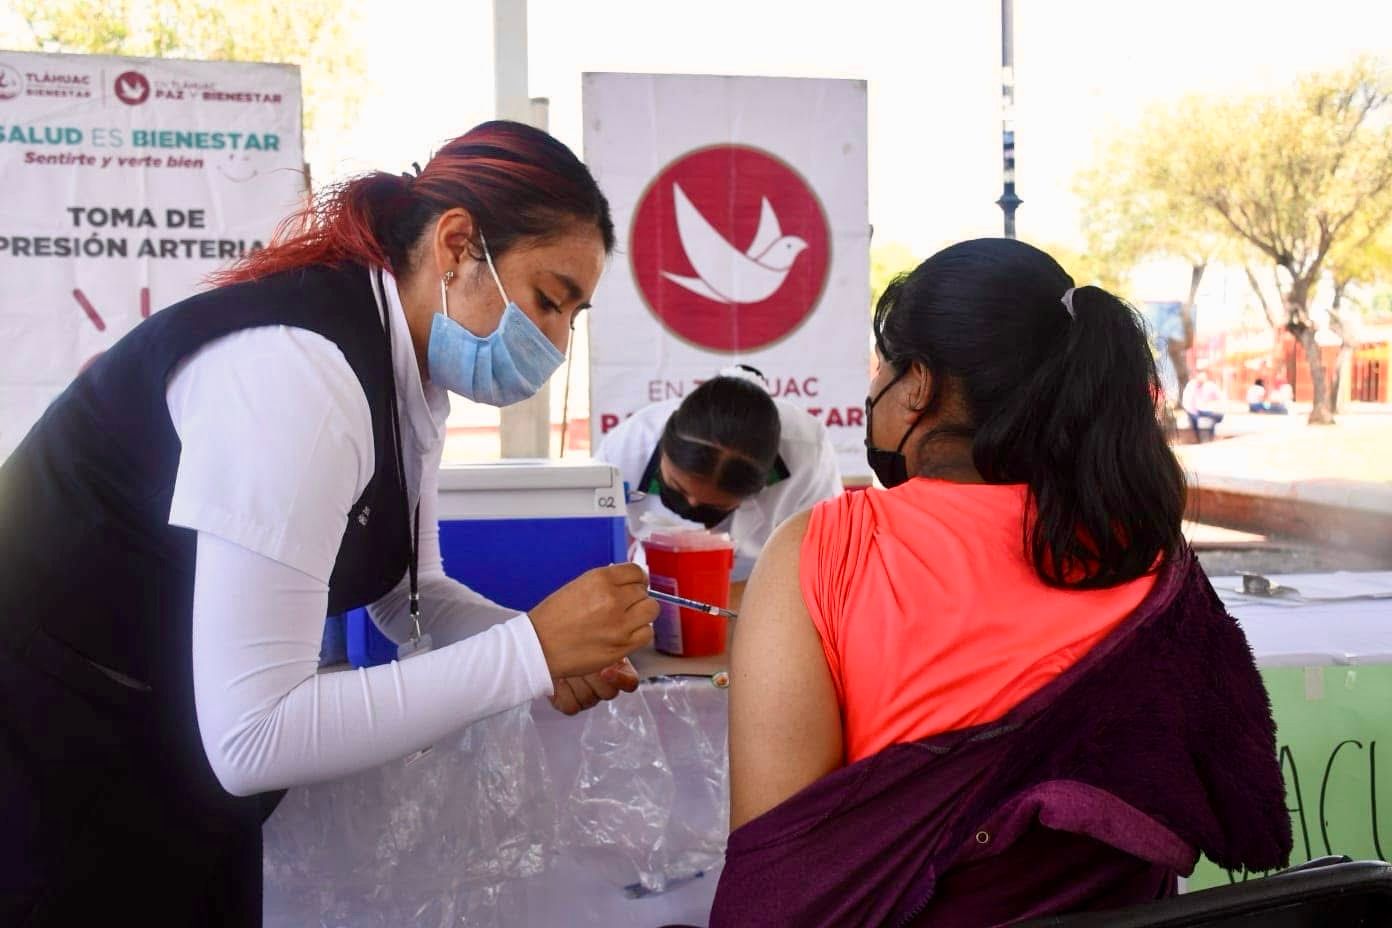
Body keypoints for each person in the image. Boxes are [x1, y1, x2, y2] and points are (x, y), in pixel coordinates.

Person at [0, 121, 660, 925]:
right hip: (52, 752)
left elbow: (410, 596)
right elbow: (254, 738)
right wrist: (528, 651)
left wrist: (545, 646)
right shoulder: (299, 376)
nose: (556, 343)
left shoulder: (404, 370)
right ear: (456, 245)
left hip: (165, 742)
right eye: (549, 300)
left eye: (574, 317)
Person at [713, 240, 1290, 926]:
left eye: (880, 370)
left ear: (918, 386)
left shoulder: (823, 550)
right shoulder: (1150, 555)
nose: (871, 392)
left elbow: (784, 889)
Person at [594, 368, 842, 592]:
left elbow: (826, 561)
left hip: (770, 587)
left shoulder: (808, 455)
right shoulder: (623, 452)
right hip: (658, 585)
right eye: (677, 487)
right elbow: (597, 554)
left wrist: (737, 602)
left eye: (715, 506)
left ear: (759, 485)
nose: (691, 503)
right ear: (665, 448)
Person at [1180, 367, 1226, 440]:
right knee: (1195, 419)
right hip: (1193, 410)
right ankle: (1198, 438)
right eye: (1200, 378)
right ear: (1197, 377)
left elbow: (1220, 396)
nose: (1202, 380)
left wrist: (1218, 405)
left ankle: (1211, 436)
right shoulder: (1191, 385)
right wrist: (1191, 411)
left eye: (1204, 378)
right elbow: (1186, 401)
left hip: (1204, 410)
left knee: (1218, 416)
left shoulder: (1210, 386)